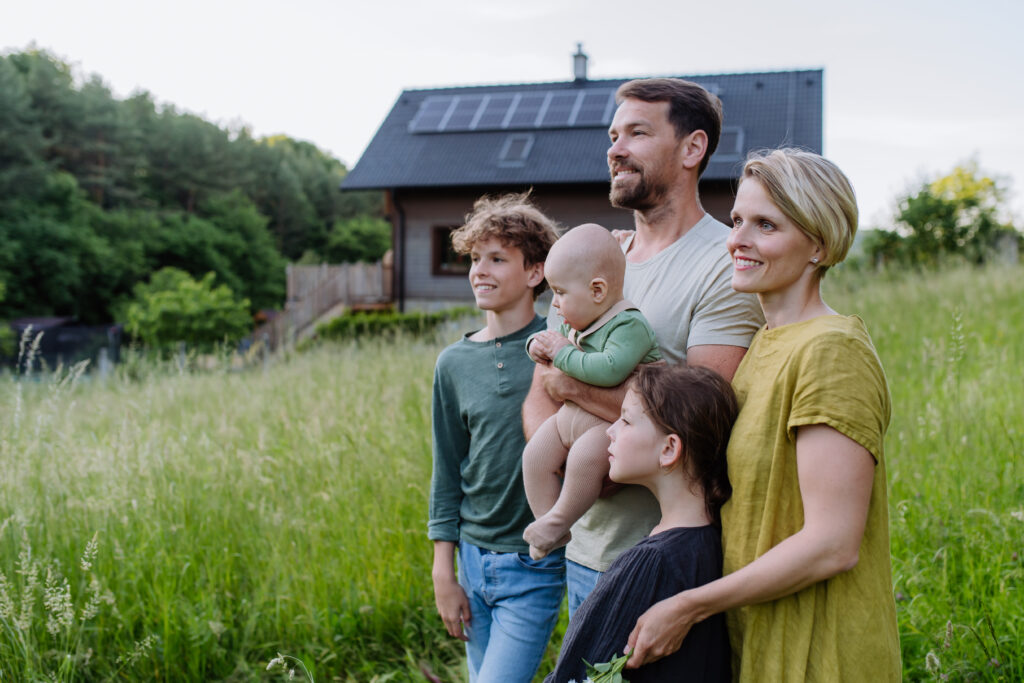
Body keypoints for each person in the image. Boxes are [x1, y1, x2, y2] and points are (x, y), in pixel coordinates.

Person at [623, 149, 901, 682]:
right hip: (759, 637)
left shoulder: (830, 350)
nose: (737, 241)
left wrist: (690, 605)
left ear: (818, 244)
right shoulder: (764, 342)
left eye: (765, 225)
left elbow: (833, 544)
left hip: (820, 652)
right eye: (737, 221)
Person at [522, 77, 764, 615]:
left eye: (636, 133)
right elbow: (541, 389)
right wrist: (567, 472)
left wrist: (571, 390)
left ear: (692, 148)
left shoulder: (724, 268)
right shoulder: (594, 257)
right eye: (613, 135)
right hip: (580, 546)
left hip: (655, 563)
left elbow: (695, 420)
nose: (615, 149)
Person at [428, 193, 565, 682]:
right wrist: (443, 570)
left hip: (533, 566)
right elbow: (447, 471)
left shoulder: (561, 350)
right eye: (475, 258)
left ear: (534, 273)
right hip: (470, 561)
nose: (479, 271)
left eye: (497, 259)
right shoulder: (453, 364)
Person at [544, 364, 734, 683]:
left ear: (669, 449)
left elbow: (578, 673)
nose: (610, 429)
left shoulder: (651, 563)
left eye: (626, 420)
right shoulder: (709, 543)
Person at [522, 223, 662, 560]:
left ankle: (561, 517)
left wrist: (562, 354)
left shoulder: (630, 324)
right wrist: (537, 347)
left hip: (606, 423)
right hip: (570, 418)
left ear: (597, 290)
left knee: (584, 460)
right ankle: (549, 524)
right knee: (534, 457)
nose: (554, 304)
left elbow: (611, 368)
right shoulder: (577, 321)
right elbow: (550, 343)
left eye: (560, 292)